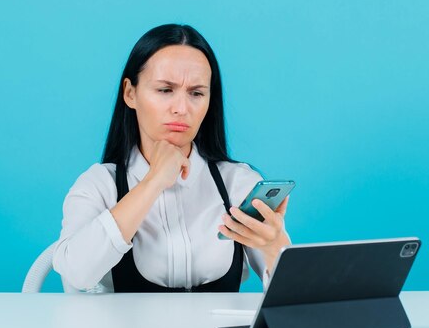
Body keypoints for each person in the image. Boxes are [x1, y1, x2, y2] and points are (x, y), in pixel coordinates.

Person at [52, 24, 290, 293]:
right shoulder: (99, 184)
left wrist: (274, 244)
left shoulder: (238, 183)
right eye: (165, 90)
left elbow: (296, 302)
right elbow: (75, 275)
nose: (181, 109)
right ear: (130, 93)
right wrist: (152, 182)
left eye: (196, 93)